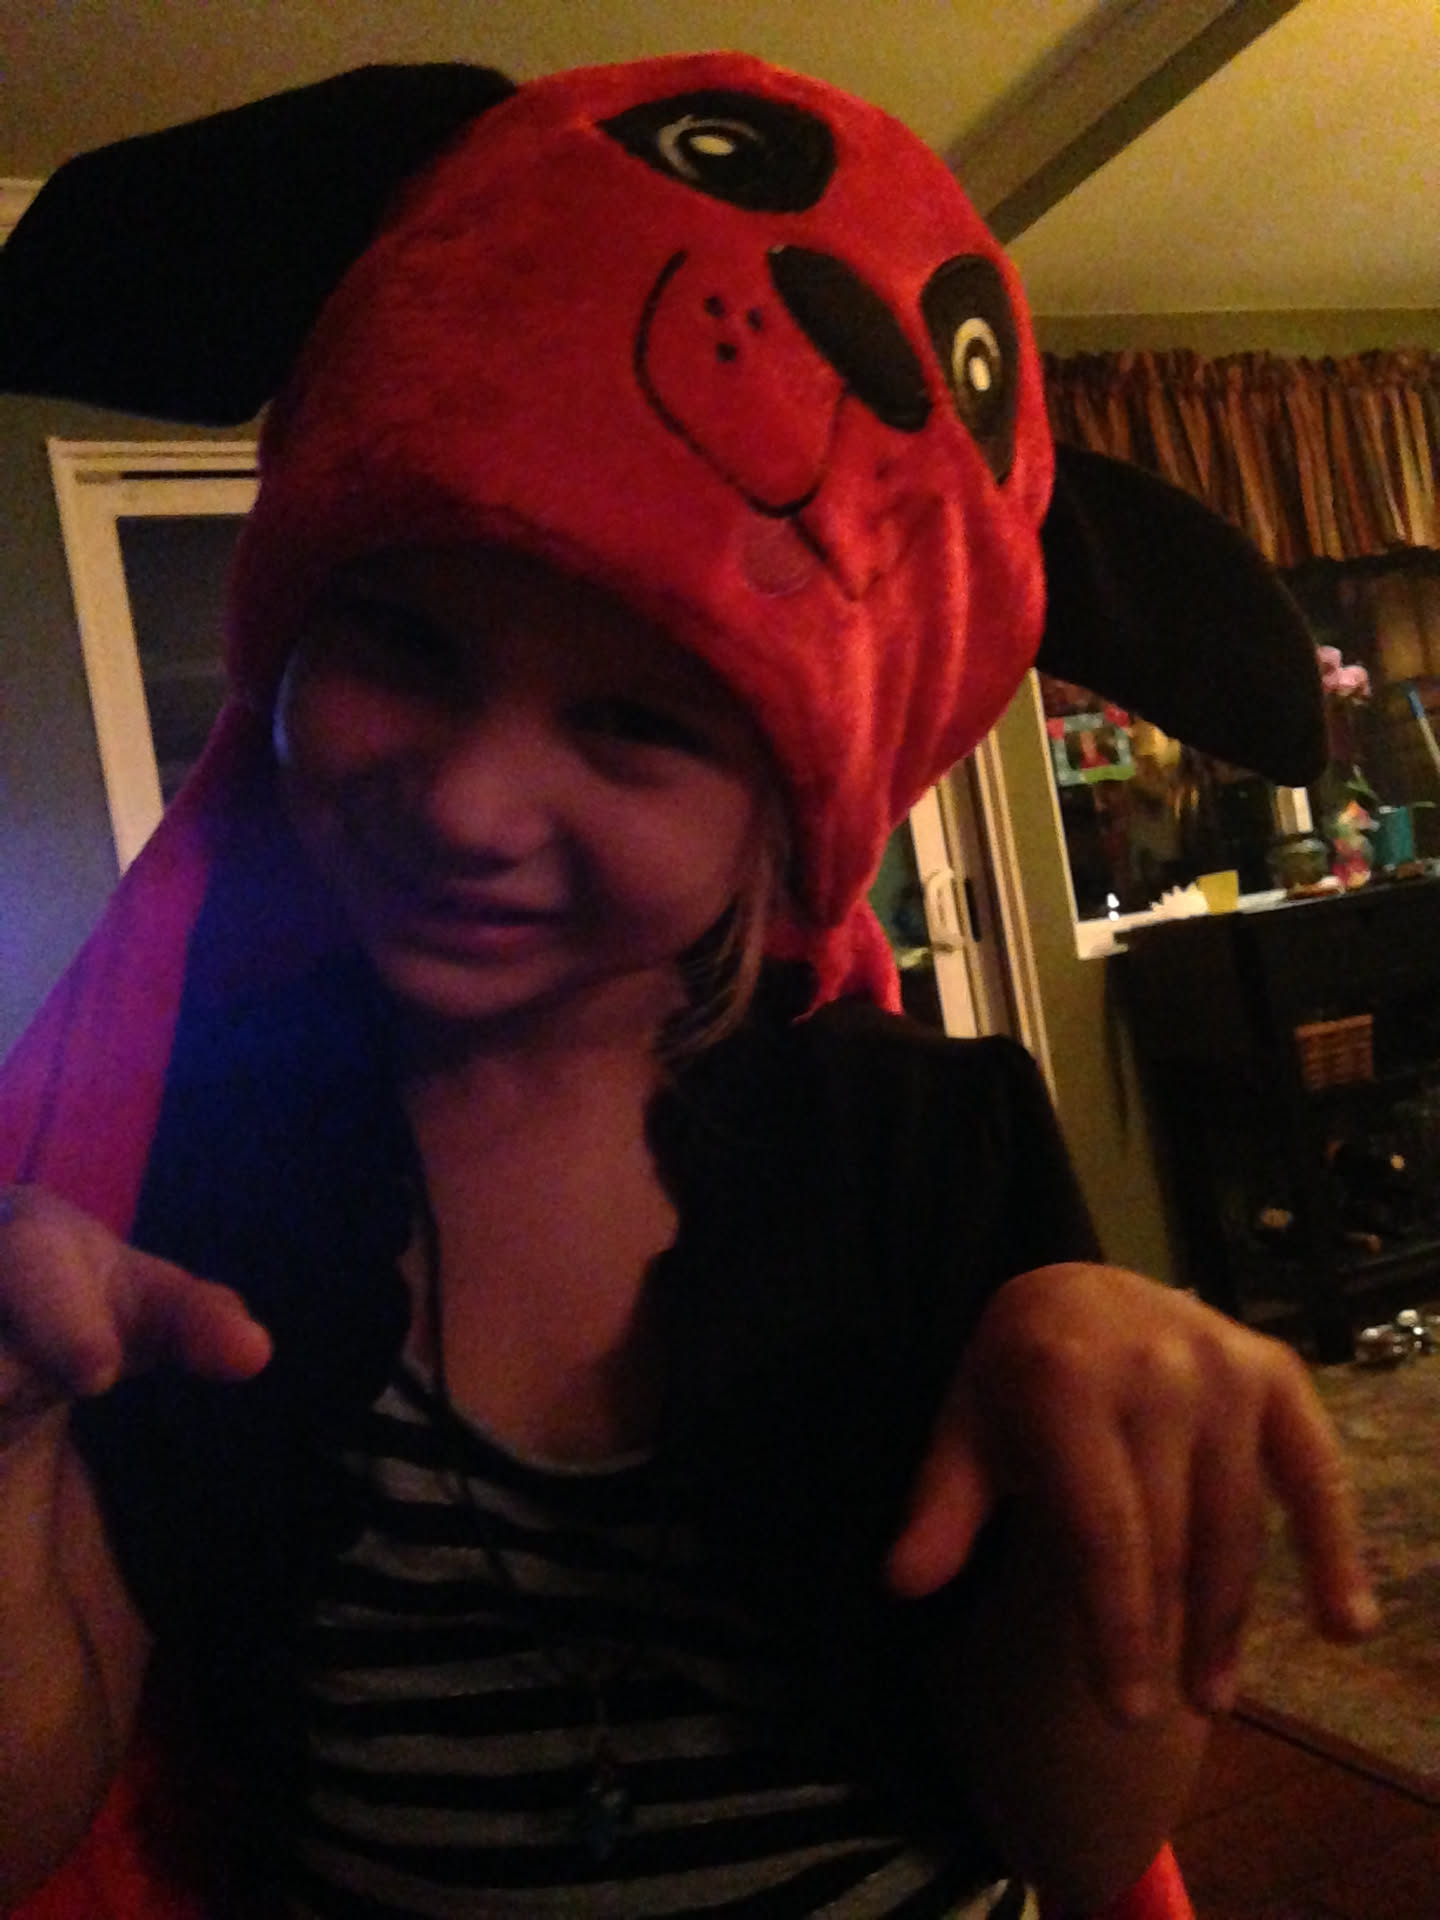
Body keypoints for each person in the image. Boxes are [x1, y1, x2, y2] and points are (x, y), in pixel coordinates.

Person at [0, 52, 1374, 1920]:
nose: (470, 804)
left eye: (635, 725)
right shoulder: (188, 1139)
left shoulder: (928, 1146)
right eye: (399, 641)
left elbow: (1069, 1833)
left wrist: (1113, 1491)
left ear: (790, 822)